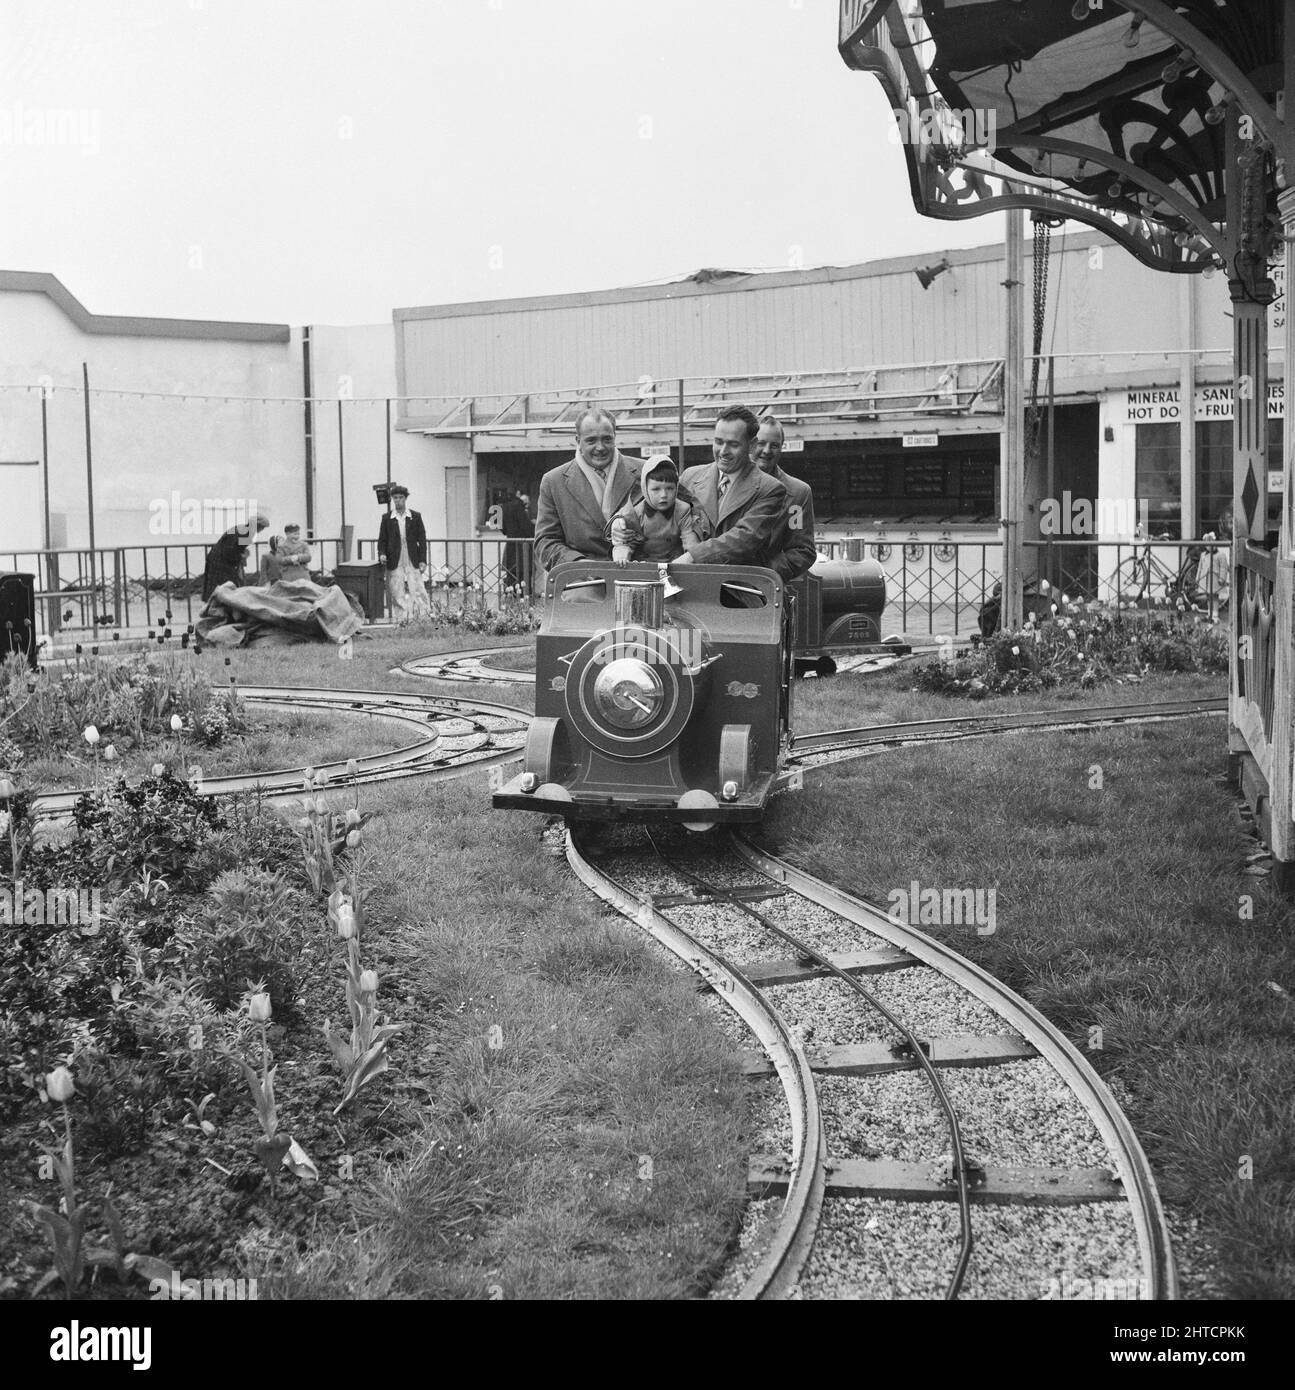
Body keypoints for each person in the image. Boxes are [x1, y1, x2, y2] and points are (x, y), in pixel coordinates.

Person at [676, 406, 787, 567]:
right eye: (718, 442)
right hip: (685, 583)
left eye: (733, 444)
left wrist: (692, 556)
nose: (723, 451)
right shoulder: (689, 477)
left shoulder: (770, 489)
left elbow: (744, 539)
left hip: (736, 587)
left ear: (752, 445)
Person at [533, 407, 641, 569]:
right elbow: (545, 541)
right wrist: (578, 564)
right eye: (591, 440)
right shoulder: (553, 481)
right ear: (578, 441)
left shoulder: (645, 472)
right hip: (582, 580)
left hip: (639, 573)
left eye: (607, 439)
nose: (600, 447)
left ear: (615, 437)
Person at [752, 416, 817, 582]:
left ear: (781, 448)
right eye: (761, 443)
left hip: (768, 590)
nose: (767, 450)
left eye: (774, 445)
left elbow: (803, 551)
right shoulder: (726, 483)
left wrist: (765, 575)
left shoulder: (798, 493)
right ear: (750, 443)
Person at [610, 456, 704, 564]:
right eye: (656, 489)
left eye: (670, 488)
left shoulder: (683, 510)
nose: (663, 495)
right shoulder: (634, 513)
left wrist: (690, 557)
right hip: (644, 565)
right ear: (645, 488)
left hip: (675, 564)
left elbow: (690, 541)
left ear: (677, 488)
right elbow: (625, 542)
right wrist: (622, 557)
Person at [377, 484, 430, 623]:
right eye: (395, 498)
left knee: (417, 587)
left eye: (401, 497)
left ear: (405, 499)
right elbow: (382, 540)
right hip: (395, 558)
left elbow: (422, 540)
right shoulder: (387, 518)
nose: (398, 500)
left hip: (412, 557)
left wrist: (423, 560)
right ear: (392, 499)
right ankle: (401, 619)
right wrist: (382, 554)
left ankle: (423, 617)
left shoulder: (415, 516)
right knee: (396, 589)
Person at [202, 513, 268, 601]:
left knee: (218, 586)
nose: (261, 530)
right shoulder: (247, 533)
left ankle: (215, 605)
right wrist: (241, 557)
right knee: (224, 587)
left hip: (217, 557)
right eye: (261, 527)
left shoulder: (242, 528)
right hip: (221, 561)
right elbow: (231, 551)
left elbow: (234, 547)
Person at [1196, 505, 1233, 621]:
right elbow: (1200, 567)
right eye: (1206, 544)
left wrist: (1222, 578)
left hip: (1215, 580)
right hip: (1206, 579)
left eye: (1211, 543)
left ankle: (1215, 613)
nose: (1209, 546)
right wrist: (1198, 578)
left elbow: (1223, 567)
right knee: (1208, 597)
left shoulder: (1220, 555)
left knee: (1215, 597)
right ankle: (1209, 612)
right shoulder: (1203, 555)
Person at [500, 487, 535, 591]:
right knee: (524, 576)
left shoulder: (504, 506)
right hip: (522, 546)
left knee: (511, 575)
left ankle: (511, 598)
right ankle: (524, 599)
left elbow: (502, 528)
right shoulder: (519, 506)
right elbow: (526, 527)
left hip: (510, 544)